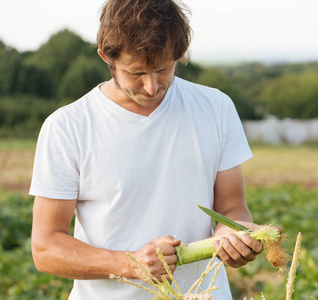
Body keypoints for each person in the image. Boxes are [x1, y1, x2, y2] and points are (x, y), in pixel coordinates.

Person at [29, 0, 275, 299]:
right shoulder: (67, 127)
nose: (151, 86)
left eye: (163, 68)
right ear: (106, 56)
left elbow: (232, 208)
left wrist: (230, 234)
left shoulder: (216, 108)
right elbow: (46, 248)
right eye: (136, 72)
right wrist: (131, 263)